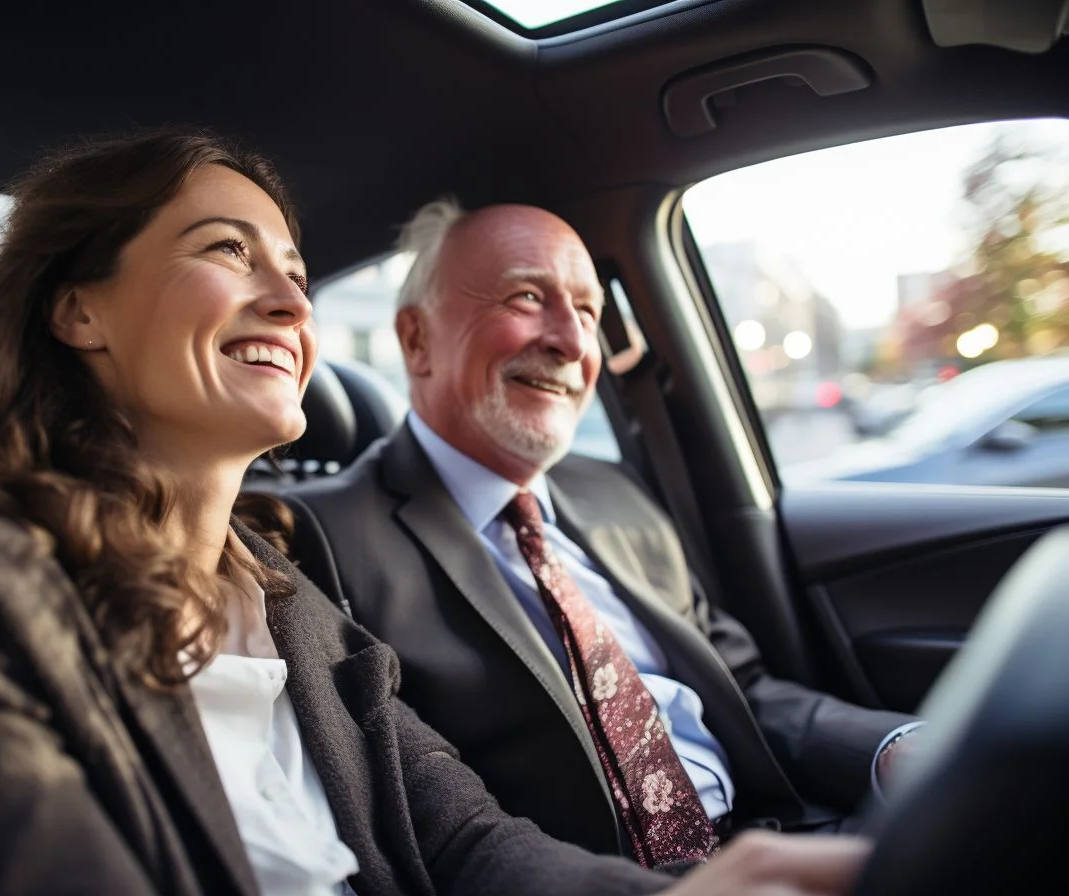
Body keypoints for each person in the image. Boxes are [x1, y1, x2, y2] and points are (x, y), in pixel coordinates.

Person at [0, 127, 870, 896]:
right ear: (78, 306)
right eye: (227, 250)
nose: (290, 299)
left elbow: (464, 841)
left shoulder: (285, 598)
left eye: (294, 270)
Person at [285, 197, 923, 866]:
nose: (573, 342)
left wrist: (892, 749)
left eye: (587, 312)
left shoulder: (616, 493)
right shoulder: (320, 539)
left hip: (780, 839)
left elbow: (745, 688)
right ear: (417, 340)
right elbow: (428, 822)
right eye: (528, 297)